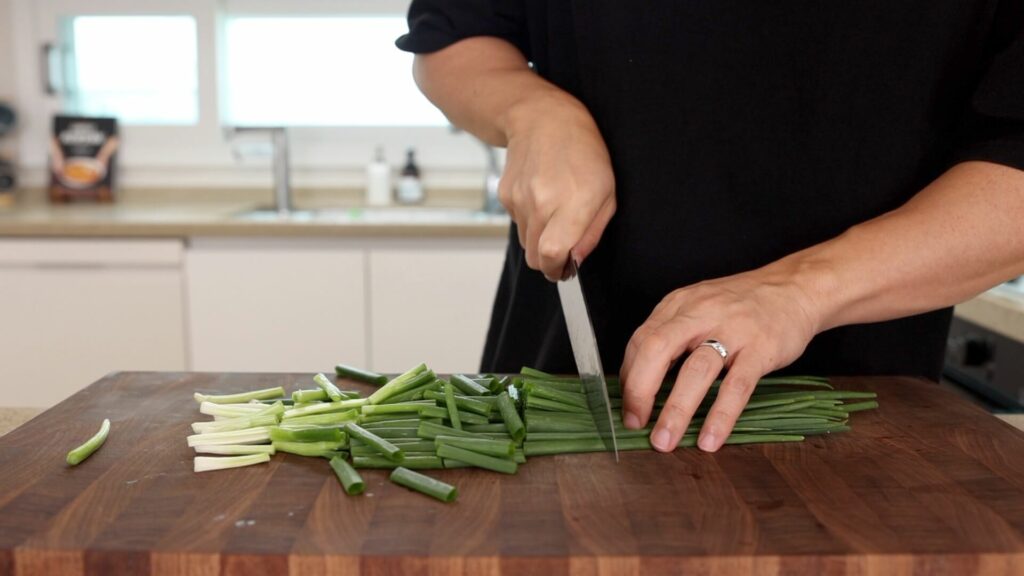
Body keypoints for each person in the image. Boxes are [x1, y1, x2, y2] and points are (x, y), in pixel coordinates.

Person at [397, 2, 1024, 453]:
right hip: (551, 402)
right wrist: (530, 110)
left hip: (850, 420)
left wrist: (802, 292)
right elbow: (451, 35)